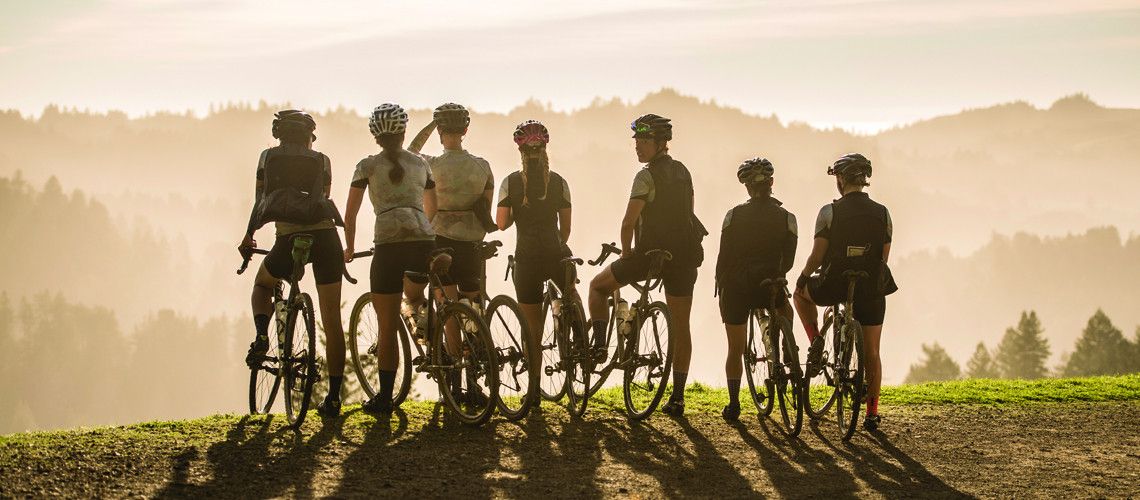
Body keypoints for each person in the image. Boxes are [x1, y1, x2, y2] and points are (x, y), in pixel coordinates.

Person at [587, 113, 706, 416]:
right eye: (636, 140)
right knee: (681, 327)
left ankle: (599, 347)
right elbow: (688, 215)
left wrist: (627, 253)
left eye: (644, 141)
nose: (637, 146)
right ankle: (677, 397)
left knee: (597, 287)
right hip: (683, 258)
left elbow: (628, 222)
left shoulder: (646, 176)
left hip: (649, 256)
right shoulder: (684, 172)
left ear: (660, 143)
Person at [238, 110, 348, 417]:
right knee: (332, 323)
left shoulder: (267, 158)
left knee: (262, 285)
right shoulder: (322, 160)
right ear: (309, 136)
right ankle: (335, 397)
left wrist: (249, 236)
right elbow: (322, 198)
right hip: (327, 240)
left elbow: (260, 199)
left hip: (288, 239)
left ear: (279, 134)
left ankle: (262, 335)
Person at [342, 103, 438, 414]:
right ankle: (434, 341)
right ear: (403, 131)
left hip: (388, 244)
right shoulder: (421, 164)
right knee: (418, 298)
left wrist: (349, 248)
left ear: (376, 136)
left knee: (386, 326)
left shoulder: (366, 166)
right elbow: (432, 207)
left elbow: (350, 214)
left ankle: (384, 398)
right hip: (423, 240)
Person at [793, 153, 894, 431]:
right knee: (872, 351)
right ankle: (872, 413)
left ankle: (815, 341)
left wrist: (803, 278)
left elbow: (817, 256)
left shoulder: (829, 212)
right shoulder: (883, 213)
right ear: (864, 180)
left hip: (833, 284)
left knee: (799, 295)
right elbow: (883, 257)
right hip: (871, 286)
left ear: (840, 179)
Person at [408, 103, 495, 401]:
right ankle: (474, 381)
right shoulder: (482, 166)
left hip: (441, 239)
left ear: (441, 131)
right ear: (466, 131)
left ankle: (454, 378)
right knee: (472, 310)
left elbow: (411, 150)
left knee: (448, 310)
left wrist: (431, 127)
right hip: (472, 243)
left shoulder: (431, 164)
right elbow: (486, 206)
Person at [495, 120, 575, 396]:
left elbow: (502, 223)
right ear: (544, 150)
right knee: (569, 294)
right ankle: (575, 332)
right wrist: (558, 245)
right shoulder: (559, 182)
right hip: (555, 254)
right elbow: (565, 228)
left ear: (521, 152)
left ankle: (533, 390)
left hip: (526, 259)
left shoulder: (510, 183)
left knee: (532, 329)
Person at [715, 158, 797, 421]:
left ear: (747, 188)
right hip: (769, 285)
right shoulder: (787, 218)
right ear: (771, 184)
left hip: (737, 286)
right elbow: (790, 260)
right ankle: (786, 349)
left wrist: (721, 285)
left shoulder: (733, 216)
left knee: (734, 348)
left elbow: (723, 257)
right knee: (787, 311)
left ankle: (734, 403)